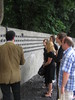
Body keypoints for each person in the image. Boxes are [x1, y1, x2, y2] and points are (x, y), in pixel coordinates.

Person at [0, 30, 25, 100]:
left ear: (6, 38)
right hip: (16, 76)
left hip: (3, 77)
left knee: (6, 96)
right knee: (17, 95)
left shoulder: (0, 48)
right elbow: (22, 62)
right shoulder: (19, 48)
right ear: (14, 37)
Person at [48, 32, 67, 99]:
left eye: (57, 37)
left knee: (60, 88)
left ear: (60, 39)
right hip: (60, 69)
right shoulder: (61, 47)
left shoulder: (62, 47)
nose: (55, 38)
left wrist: (52, 54)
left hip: (61, 70)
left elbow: (58, 59)